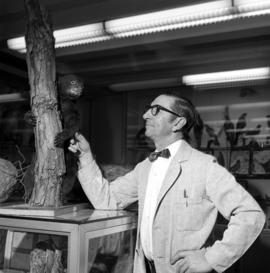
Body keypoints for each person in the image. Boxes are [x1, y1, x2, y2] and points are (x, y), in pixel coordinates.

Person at [68, 94, 265, 273]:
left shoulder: (204, 166)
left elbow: (250, 214)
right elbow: (106, 200)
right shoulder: (145, 168)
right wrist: (85, 157)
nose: (145, 115)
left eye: (155, 110)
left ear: (177, 122)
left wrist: (211, 258)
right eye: (147, 109)